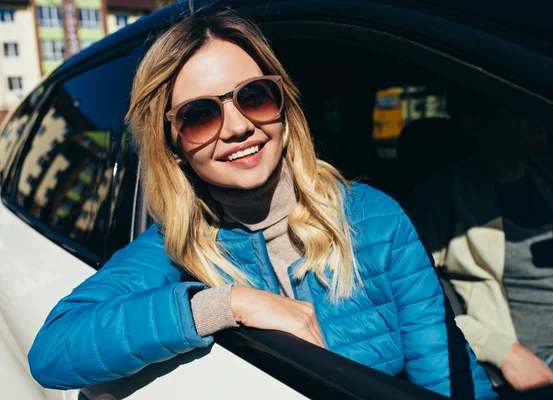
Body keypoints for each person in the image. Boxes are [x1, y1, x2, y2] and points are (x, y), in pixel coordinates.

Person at [27, 10, 495, 399]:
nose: (237, 126)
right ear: (171, 146)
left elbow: (447, 381)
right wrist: (230, 303)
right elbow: (53, 353)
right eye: (200, 114)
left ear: (282, 104)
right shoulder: (176, 247)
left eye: (253, 96)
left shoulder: (376, 221)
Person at [409, 84, 553, 392]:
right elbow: (418, 307)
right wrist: (502, 351)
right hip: (552, 355)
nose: (536, 119)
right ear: (475, 125)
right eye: (518, 110)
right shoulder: (442, 197)